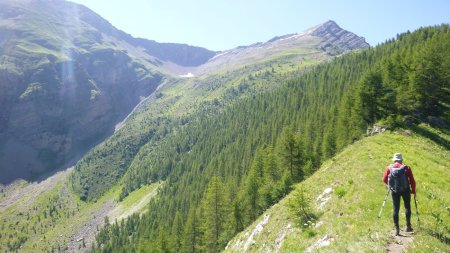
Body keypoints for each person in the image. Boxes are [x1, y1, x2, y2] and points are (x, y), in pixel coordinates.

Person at [382, 153, 416, 236]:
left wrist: (391, 185)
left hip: (394, 191)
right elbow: (412, 181)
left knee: (395, 208)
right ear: (401, 160)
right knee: (407, 206)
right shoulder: (406, 168)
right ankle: (408, 226)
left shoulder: (389, 168)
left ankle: (397, 230)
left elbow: (384, 179)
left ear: (394, 160)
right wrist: (413, 191)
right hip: (406, 190)